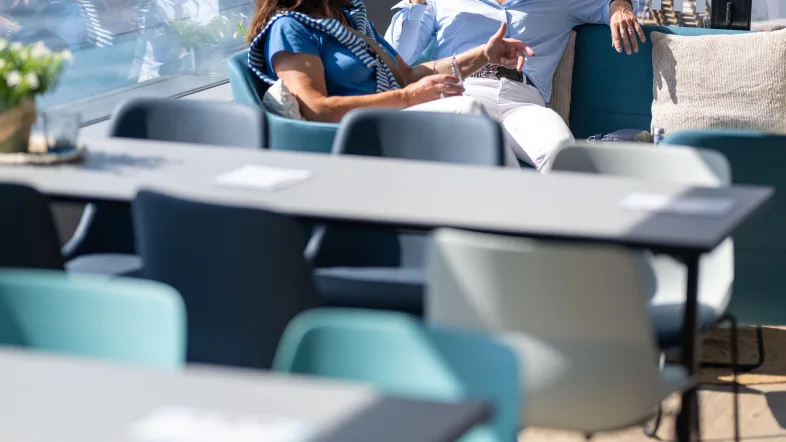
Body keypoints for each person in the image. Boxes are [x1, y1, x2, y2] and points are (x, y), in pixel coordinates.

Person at [246, 0, 534, 165]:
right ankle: (515, 217)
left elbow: (406, 75)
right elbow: (317, 109)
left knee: (467, 114)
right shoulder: (291, 27)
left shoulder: (351, 20)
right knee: (466, 113)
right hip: (356, 138)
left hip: (391, 120)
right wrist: (408, 98)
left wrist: (485, 54)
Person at [385, 0, 645, 171]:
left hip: (523, 101)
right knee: (472, 118)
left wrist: (619, 7)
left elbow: (608, 4)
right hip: (460, 90)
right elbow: (398, 57)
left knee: (562, 153)